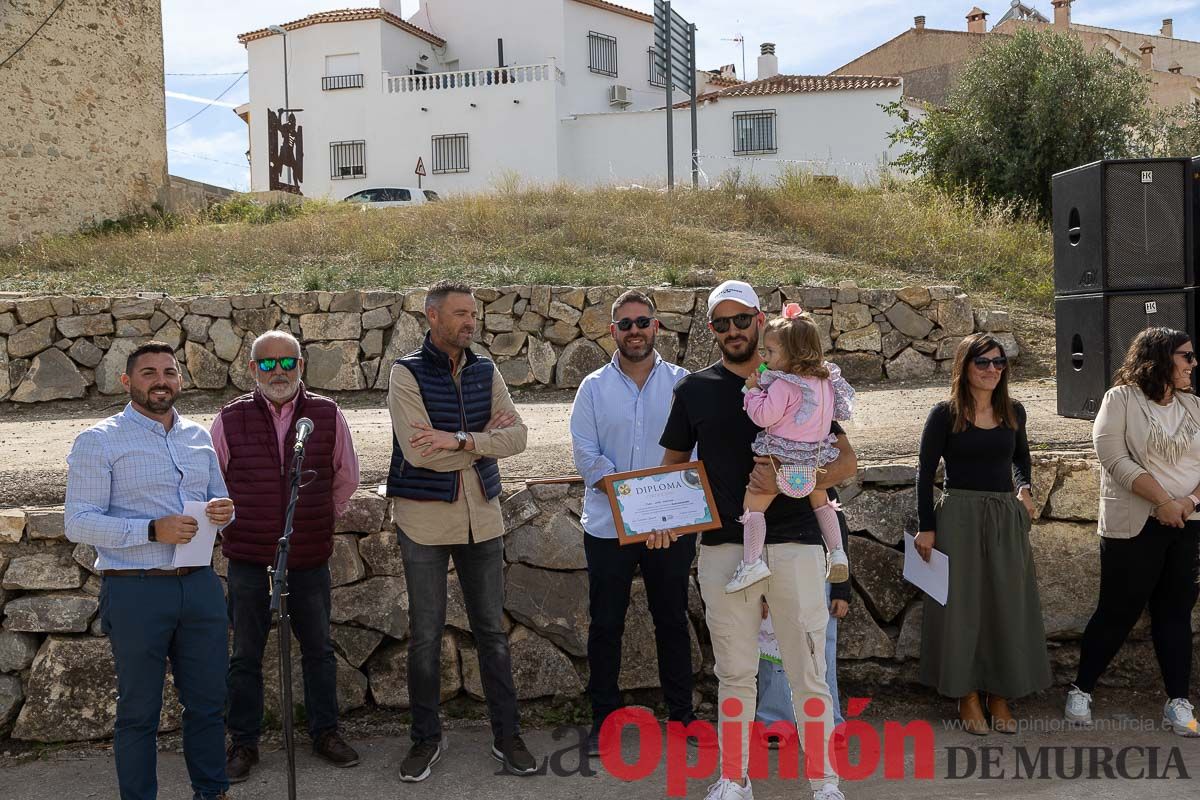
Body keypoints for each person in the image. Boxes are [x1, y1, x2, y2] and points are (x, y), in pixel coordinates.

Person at [657, 280, 854, 800]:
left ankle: (824, 782)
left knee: (808, 672)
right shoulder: (694, 391)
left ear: (760, 319)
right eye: (721, 323)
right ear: (711, 330)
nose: (733, 331)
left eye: (741, 319)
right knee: (735, 674)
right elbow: (672, 468)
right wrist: (658, 516)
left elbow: (847, 463)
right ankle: (734, 779)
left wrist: (795, 482)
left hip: (796, 544)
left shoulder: (807, 383)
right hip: (725, 550)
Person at [64, 341, 235, 800]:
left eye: (170, 372)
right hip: (136, 590)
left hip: (198, 586)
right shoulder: (99, 440)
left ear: (180, 379)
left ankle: (212, 791)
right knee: (138, 712)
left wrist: (224, 512)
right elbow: (77, 521)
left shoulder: (198, 436)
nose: (161, 381)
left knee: (208, 704)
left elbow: (220, 500)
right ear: (127, 381)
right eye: (149, 373)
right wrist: (150, 530)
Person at [386, 280, 535, 781]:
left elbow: (518, 437)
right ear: (432, 317)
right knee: (426, 636)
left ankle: (507, 735)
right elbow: (417, 452)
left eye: (473, 313)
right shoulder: (404, 373)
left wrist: (460, 438)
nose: (470, 322)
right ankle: (425, 740)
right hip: (425, 520)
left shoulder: (486, 368)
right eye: (460, 314)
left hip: (483, 516)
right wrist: (481, 443)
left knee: (492, 632)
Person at [211, 330, 362, 781]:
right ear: (252, 369)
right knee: (246, 655)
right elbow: (212, 483)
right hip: (250, 559)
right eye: (267, 364)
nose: (278, 372)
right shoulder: (229, 418)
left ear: (302, 366)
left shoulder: (326, 415)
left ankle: (325, 732)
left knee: (318, 649)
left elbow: (346, 477)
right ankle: (244, 742)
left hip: (309, 557)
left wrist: (316, 519)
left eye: (287, 362)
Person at [569, 290, 694, 756]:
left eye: (643, 321)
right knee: (605, 625)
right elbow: (586, 456)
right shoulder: (593, 388)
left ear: (656, 327)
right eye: (625, 324)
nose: (635, 330)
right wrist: (632, 504)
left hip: (670, 530)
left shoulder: (684, 385)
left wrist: (666, 514)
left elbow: (694, 457)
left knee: (672, 622)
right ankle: (603, 720)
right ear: (612, 331)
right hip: (607, 528)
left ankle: (681, 717)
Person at [1065, 327, 1200, 737]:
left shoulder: (1194, 405)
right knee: (1117, 612)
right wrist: (1163, 501)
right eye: (1186, 357)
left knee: (1176, 614)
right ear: (1160, 358)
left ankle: (1178, 702)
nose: (1193, 365)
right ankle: (1081, 690)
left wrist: (1188, 504)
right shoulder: (1119, 399)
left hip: (1188, 523)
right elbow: (1112, 457)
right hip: (1134, 525)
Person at [913, 333, 1050, 735]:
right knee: (961, 609)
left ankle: (999, 694)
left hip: (1004, 517)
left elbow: (1019, 459)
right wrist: (927, 526)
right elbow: (924, 473)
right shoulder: (945, 413)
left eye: (999, 362)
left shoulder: (1014, 411)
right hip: (958, 515)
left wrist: (1024, 489)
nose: (993, 369)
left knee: (1006, 606)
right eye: (983, 362)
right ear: (965, 366)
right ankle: (967, 693)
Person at [732, 303, 855, 592]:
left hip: (778, 458)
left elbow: (763, 416)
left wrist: (752, 392)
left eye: (770, 352)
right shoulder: (824, 381)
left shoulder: (783, 384)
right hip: (813, 457)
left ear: (791, 354)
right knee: (821, 500)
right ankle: (836, 551)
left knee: (754, 504)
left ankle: (751, 563)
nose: (764, 356)